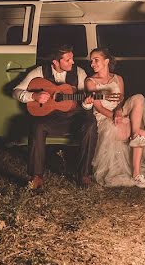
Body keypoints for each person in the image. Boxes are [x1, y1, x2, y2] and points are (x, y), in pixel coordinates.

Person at [12, 44, 98, 189]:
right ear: (55, 62)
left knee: (90, 124)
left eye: (72, 59)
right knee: (37, 126)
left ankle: (84, 174)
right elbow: (16, 91)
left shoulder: (80, 73)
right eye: (68, 60)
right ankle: (36, 176)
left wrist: (88, 103)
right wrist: (33, 95)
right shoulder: (39, 71)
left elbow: (85, 104)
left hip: (73, 117)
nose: (72, 62)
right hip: (50, 117)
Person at [85, 48, 145, 188]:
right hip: (104, 116)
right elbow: (98, 107)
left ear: (106, 61)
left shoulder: (118, 78)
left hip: (118, 111)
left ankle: (137, 172)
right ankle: (136, 140)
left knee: (139, 98)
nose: (92, 64)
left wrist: (119, 111)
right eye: (91, 61)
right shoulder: (91, 81)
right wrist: (115, 117)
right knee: (141, 133)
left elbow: (120, 100)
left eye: (96, 60)